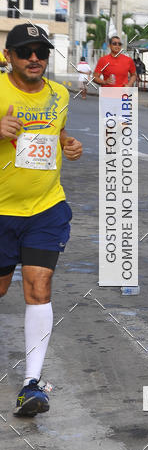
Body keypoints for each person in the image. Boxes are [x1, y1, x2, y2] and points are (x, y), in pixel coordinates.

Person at [0, 23, 83, 417]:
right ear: (8, 56)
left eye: (41, 51)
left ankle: (32, 384)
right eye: (25, 51)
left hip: (45, 208)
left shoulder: (60, 94)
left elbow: (58, 135)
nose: (34, 58)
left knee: (39, 287)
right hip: (1, 211)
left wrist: (70, 145)